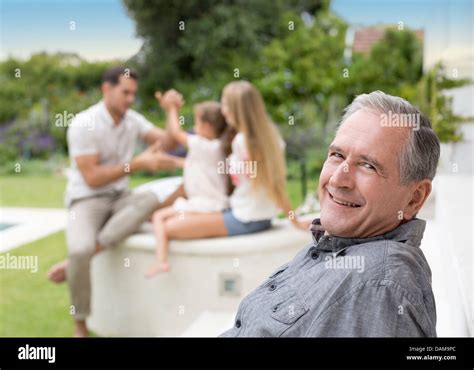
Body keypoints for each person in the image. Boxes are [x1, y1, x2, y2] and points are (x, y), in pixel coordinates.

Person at [219, 91, 440, 337]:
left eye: (368, 165)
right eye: (337, 155)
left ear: (415, 197)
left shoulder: (381, 285)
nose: (337, 180)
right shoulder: (342, 246)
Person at [47, 66, 184, 337]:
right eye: (125, 92)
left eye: (133, 93)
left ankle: (77, 262)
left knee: (150, 199)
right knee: (78, 249)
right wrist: (136, 164)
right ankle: (80, 325)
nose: (130, 99)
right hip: (86, 199)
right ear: (106, 89)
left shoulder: (132, 120)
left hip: (120, 198)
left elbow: (170, 142)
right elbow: (92, 177)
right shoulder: (83, 123)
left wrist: (171, 110)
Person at [151, 80, 309, 244]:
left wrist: (295, 222)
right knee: (168, 218)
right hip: (257, 216)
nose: (222, 109)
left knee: (169, 227)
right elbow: (277, 183)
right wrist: (294, 220)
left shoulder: (243, 142)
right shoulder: (270, 138)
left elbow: (273, 184)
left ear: (235, 108)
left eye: (225, 103)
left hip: (245, 218)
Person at [145, 94, 230, 277]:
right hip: (211, 202)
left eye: (197, 123)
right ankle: (162, 260)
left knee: (158, 217)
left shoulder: (203, 145)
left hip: (205, 203)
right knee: (162, 217)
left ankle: (161, 261)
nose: (194, 128)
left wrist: (172, 109)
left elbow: (176, 133)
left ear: (207, 127)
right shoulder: (215, 147)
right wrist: (172, 161)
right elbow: (194, 166)